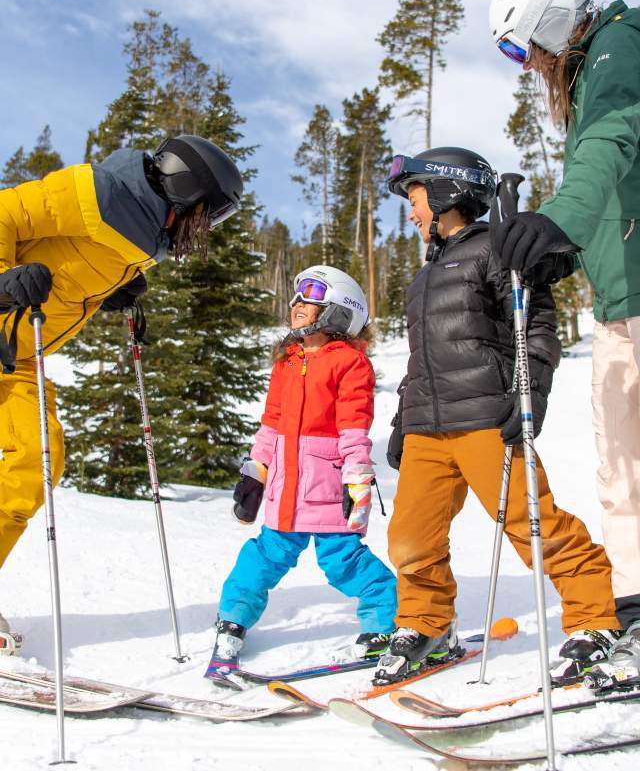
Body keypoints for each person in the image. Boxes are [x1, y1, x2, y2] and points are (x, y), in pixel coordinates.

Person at [375, 147, 620, 686]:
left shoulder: (496, 251)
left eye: (414, 198)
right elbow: (421, 358)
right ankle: (426, 624)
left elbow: (536, 328)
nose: (411, 213)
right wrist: (401, 422)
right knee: (410, 539)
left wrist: (532, 393)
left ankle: (595, 618)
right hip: (426, 429)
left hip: (487, 417)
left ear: (445, 193)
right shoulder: (424, 277)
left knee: (532, 526)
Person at [0, 135, 243, 655]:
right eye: (207, 213)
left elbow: (70, 273)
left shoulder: (145, 233)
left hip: (15, 359)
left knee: (37, 460)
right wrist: (3, 279)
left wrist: (110, 294)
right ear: (181, 187)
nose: (206, 226)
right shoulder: (96, 192)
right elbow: (3, 215)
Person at [489, 0, 640, 683]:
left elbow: (610, 154)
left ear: (554, 21)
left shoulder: (618, 48)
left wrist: (558, 220)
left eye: (523, 47)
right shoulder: (585, 85)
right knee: (622, 475)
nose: (526, 66)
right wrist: (563, 254)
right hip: (621, 308)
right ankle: (636, 619)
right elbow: (615, 208)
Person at [207, 265, 397, 677]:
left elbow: (354, 427)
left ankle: (385, 621)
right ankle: (232, 619)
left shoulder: (350, 364)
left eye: (310, 295)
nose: (297, 304)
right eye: (297, 295)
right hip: (285, 488)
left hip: (328, 486)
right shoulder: (287, 362)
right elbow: (271, 424)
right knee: (263, 556)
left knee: (343, 561)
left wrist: (358, 478)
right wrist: (255, 472)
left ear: (338, 309)